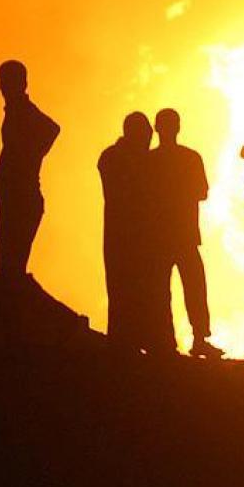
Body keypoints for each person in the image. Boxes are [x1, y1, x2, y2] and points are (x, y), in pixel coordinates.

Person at [149, 108, 220, 358]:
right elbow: (201, 191)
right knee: (193, 287)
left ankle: (166, 340)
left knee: (163, 288)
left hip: (163, 235)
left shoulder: (150, 161)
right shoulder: (190, 158)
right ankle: (196, 339)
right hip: (182, 234)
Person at [98, 112, 170, 354]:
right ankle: (125, 341)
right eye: (146, 134)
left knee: (146, 288)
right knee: (124, 288)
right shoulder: (114, 158)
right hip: (125, 235)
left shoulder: (126, 158)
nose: (150, 139)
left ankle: (146, 339)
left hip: (140, 235)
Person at [0, 59, 59, 281]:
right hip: (12, 202)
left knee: (10, 268)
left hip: (22, 201)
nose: (2, 87)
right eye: (1, 81)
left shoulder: (24, 110)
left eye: (6, 81)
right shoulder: (14, 111)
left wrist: (31, 157)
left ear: (21, 83)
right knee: (8, 264)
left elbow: (52, 129)